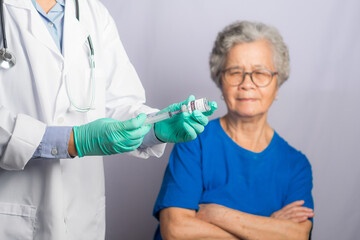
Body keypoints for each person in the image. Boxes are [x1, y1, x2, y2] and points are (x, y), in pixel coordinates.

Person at [0, 0, 217, 239]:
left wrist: (153, 128)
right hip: (11, 217)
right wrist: (74, 140)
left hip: (82, 218)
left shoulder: (93, 12)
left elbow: (120, 103)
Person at [153, 21, 314, 240]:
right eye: (235, 72)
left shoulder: (296, 165)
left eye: (261, 73)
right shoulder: (194, 141)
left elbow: (298, 236)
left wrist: (217, 214)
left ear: (278, 84)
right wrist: (269, 229)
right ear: (221, 81)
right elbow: (176, 231)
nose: (247, 84)